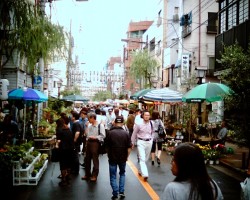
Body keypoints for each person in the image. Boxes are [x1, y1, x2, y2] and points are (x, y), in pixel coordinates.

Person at [106, 116, 132, 200]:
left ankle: (115, 192)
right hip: (123, 157)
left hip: (112, 157)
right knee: (122, 173)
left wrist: (108, 153)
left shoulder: (110, 133)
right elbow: (129, 148)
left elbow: (106, 146)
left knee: (113, 175)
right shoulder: (126, 133)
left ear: (115, 123)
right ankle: (121, 191)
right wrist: (127, 156)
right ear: (123, 123)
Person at [82, 112, 105, 182]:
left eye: (89, 118)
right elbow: (87, 135)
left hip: (95, 143)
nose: (88, 120)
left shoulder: (100, 126)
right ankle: (87, 174)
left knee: (95, 159)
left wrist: (95, 137)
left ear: (92, 118)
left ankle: (94, 175)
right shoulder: (89, 125)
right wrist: (86, 127)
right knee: (87, 159)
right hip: (89, 142)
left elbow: (103, 135)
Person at [131, 110, 153, 181]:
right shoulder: (139, 124)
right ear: (143, 116)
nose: (147, 116)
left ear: (149, 116)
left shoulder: (152, 123)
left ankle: (140, 170)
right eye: (145, 115)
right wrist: (132, 143)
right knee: (142, 158)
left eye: (148, 115)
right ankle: (145, 174)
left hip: (149, 142)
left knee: (145, 159)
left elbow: (153, 132)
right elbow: (134, 134)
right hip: (141, 142)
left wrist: (151, 139)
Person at [55, 115, 74, 186]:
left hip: (63, 149)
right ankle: (68, 177)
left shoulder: (59, 130)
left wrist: (56, 145)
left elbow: (59, 140)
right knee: (68, 164)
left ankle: (63, 180)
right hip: (70, 149)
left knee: (63, 165)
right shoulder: (68, 129)